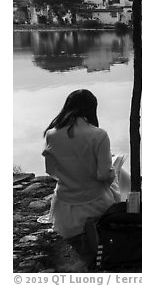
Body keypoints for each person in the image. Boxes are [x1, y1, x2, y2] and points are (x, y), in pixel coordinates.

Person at [42, 89, 120, 240]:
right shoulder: (99, 134)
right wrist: (112, 174)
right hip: (96, 204)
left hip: (65, 210)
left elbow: (50, 170)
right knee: (118, 171)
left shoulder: (51, 134)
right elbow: (103, 175)